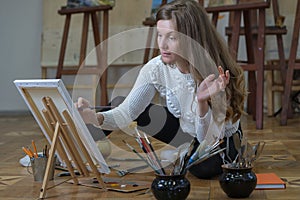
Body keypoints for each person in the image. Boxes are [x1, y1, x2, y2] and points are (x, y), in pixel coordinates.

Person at [76, 0, 247, 179]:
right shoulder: (156, 68)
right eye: (160, 35)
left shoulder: (215, 73)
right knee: (120, 104)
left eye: (171, 37)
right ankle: (77, 150)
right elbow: (125, 113)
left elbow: (207, 140)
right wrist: (95, 118)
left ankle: (186, 153)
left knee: (202, 169)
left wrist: (201, 102)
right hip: (187, 132)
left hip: (220, 141)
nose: (162, 45)